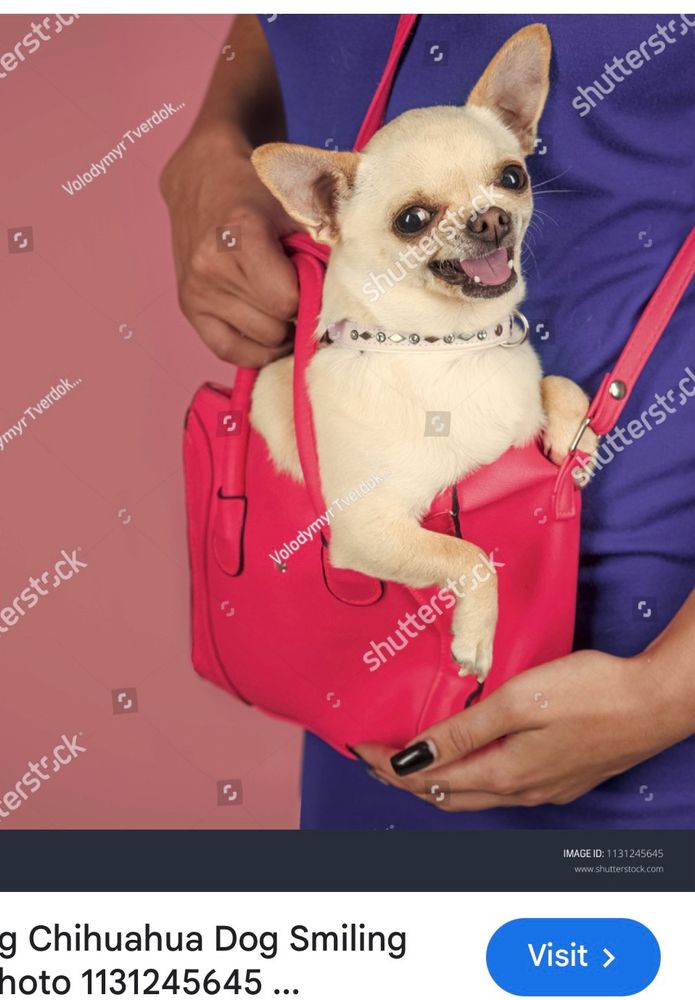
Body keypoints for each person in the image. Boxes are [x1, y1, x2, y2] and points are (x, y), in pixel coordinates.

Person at [161, 14, 695, 829]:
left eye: (506, 183)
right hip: (366, 651)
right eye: (418, 217)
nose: (486, 220)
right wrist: (215, 137)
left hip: (636, 639)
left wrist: (666, 694)